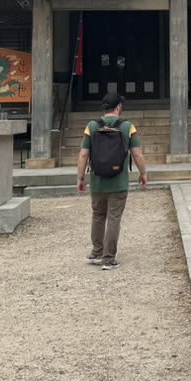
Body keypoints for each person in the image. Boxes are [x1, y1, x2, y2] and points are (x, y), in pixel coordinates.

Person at [76, 92, 148, 270]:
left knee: (98, 215)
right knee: (114, 218)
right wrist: (143, 173)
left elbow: (84, 154)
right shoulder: (128, 127)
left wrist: (80, 178)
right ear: (118, 107)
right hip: (118, 181)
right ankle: (109, 258)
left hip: (97, 180)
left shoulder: (91, 126)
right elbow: (137, 153)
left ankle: (96, 252)